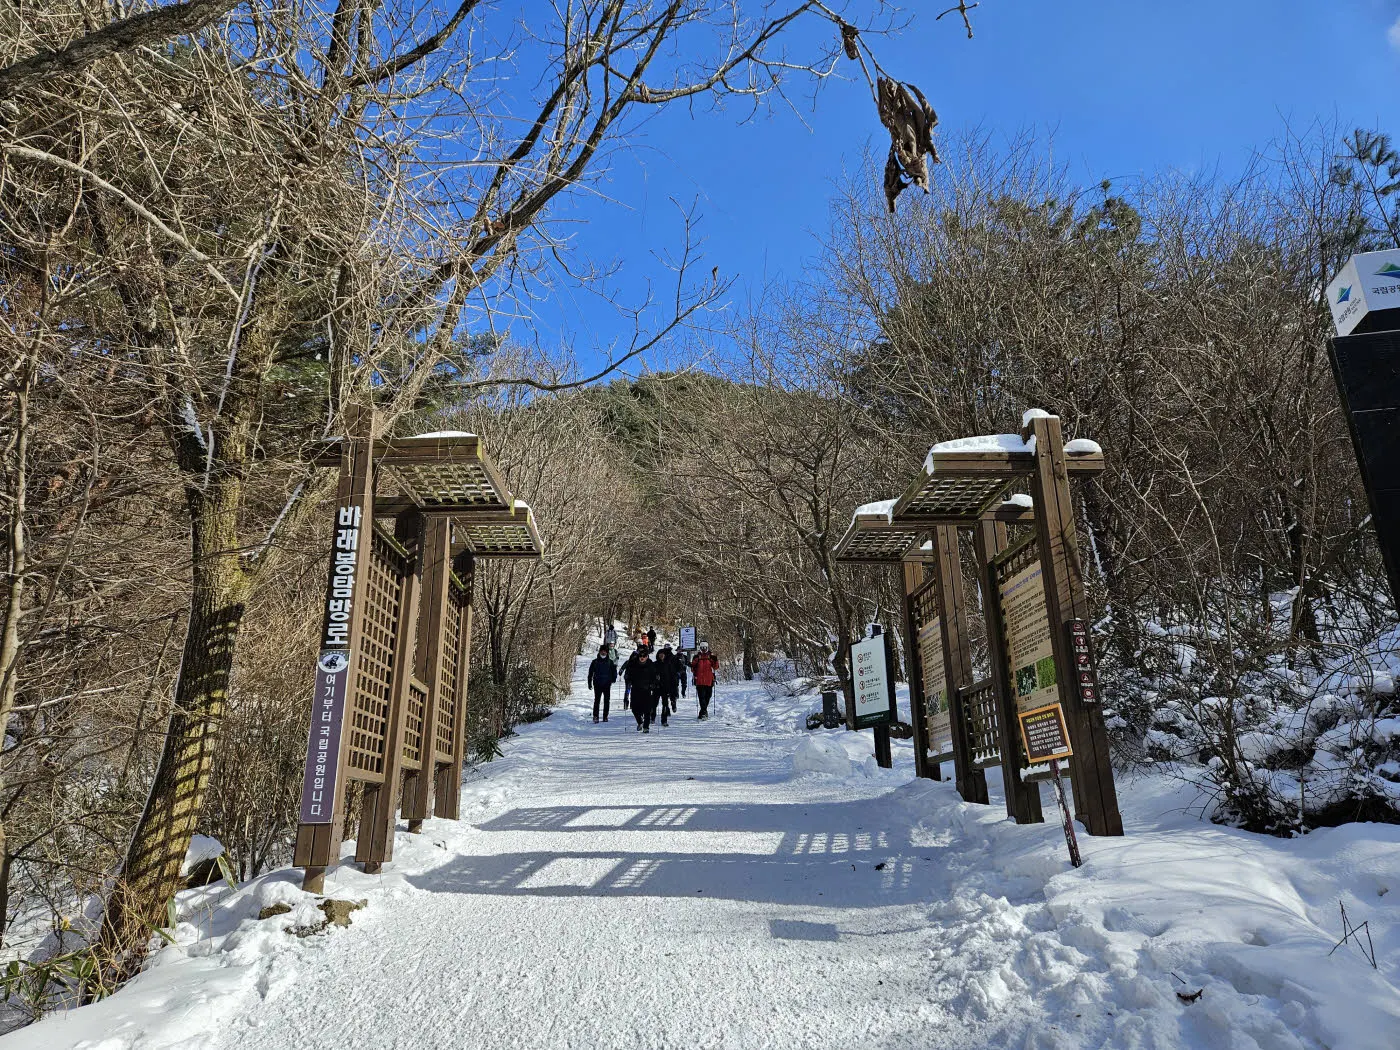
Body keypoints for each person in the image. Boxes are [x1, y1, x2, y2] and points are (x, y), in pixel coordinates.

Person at [630, 648, 661, 733]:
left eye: (644, 656)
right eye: (640, 656)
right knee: (634, 709)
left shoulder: (651, 665)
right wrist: (628, 679)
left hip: (647, 689)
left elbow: (655, 676)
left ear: (647, 656)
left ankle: (646, 726)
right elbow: (629, 674)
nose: (642, 657)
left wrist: (654, 683)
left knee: (647, 709)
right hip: (636, 689)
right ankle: (640, 722)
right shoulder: (634, 664)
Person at [587, 645, 616, 723]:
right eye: (602, 651)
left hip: (607, 684)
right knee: (597, 700)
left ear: (607, 652)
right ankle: (595, 716)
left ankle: (605, 716)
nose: (603, 652)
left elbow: (614, 671)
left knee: (607, 700)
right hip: (597, 683)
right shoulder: (595, 662)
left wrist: (614, 678)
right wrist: (589, 683)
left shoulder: (610, 662)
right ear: (599, 651)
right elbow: (590, 673)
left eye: (605, 651)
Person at [691, 641, 719, 720]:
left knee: (708, 696)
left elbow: (716, 667)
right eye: (702, 648)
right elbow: (693, 668)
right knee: (701, 697)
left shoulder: (711, 656)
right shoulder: (696, 657)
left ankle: (702, 712)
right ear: (700, 648)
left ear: (707, 648)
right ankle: (704, 713)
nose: (703, 649)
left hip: (709, 680)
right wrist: (693, 667)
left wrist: (715, 660)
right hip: (699, 680)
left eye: (705, 648)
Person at [654, 648, 677, 726]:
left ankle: (664, 720)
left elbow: (673, 676)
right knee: (654, 704)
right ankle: (652, 717)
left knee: (665, 704)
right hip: (656, 687)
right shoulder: (655, 664)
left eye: (663, 654)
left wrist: (673, 686)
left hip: (666, 687)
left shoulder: (668, 664)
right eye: (660, 654)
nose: (661, 656)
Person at [619, 645, 645, 710]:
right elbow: (625, 665)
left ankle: (629, 703)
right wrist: (621, 671)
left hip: (634, 677)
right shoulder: (633, 659)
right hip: (629, 677)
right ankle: (626, 702)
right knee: (629, 690)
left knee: (632, 690)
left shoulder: (639, 659)